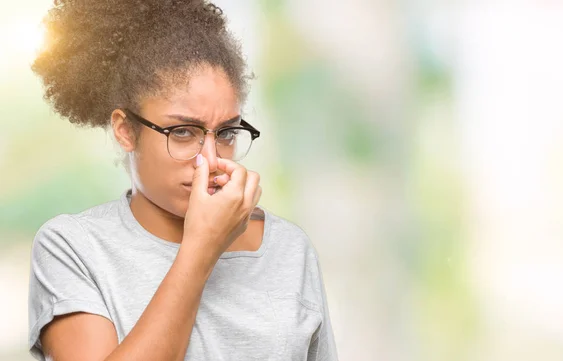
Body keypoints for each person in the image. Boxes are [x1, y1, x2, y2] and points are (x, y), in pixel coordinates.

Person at [27, 1, 339, 360]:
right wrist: (201, 248)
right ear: (126, 130)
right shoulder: (73, 248)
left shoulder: (289, 249)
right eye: (183, 132)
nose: (210, 159)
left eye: (226, 133)